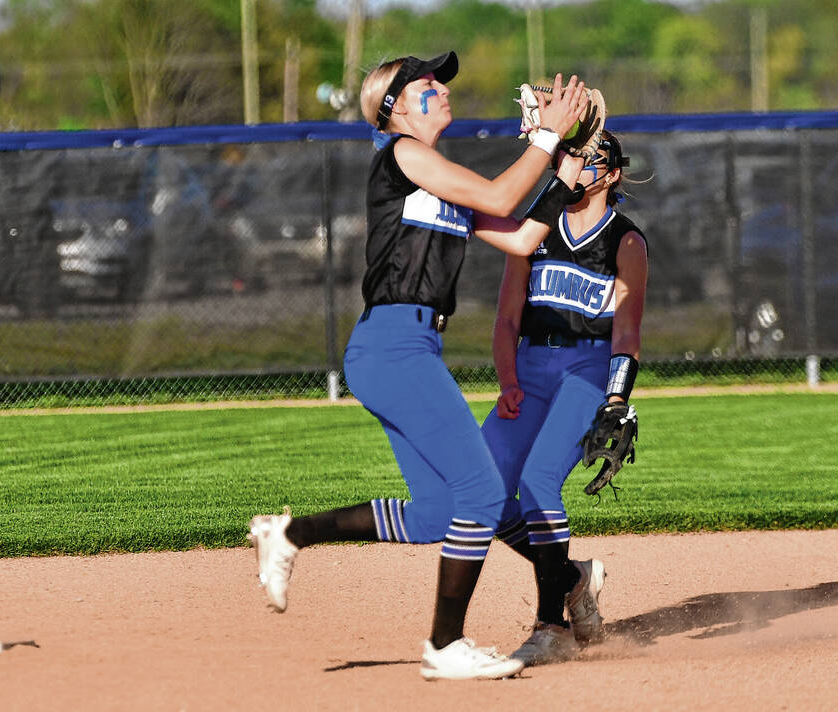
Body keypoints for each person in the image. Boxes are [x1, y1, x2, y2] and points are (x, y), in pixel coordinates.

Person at [247, 51, 592, 681]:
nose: (441, 88)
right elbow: (498, 192)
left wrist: (565, 172)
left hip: (409, 348)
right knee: (484, 493)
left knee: (436, 513)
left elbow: (520, 236)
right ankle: (445, 645)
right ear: (395, 107)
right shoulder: (403, 154)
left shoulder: (438, 177)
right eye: (427, 83)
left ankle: (289, 534)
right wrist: (545, 137)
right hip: (392, 346)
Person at [480, 130, 648, 666]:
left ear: (612, 174)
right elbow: (507, 319)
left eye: (590, 160)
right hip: (531, 366)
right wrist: (508, 379)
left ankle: (551, 626)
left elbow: (626, 332)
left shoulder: (625, 241)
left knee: (538, 481)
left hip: (587, 368)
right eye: (571, 158)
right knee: (482, 490)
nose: (577, 168)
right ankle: (574, 578)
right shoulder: (537, 228)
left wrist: (616, 399)